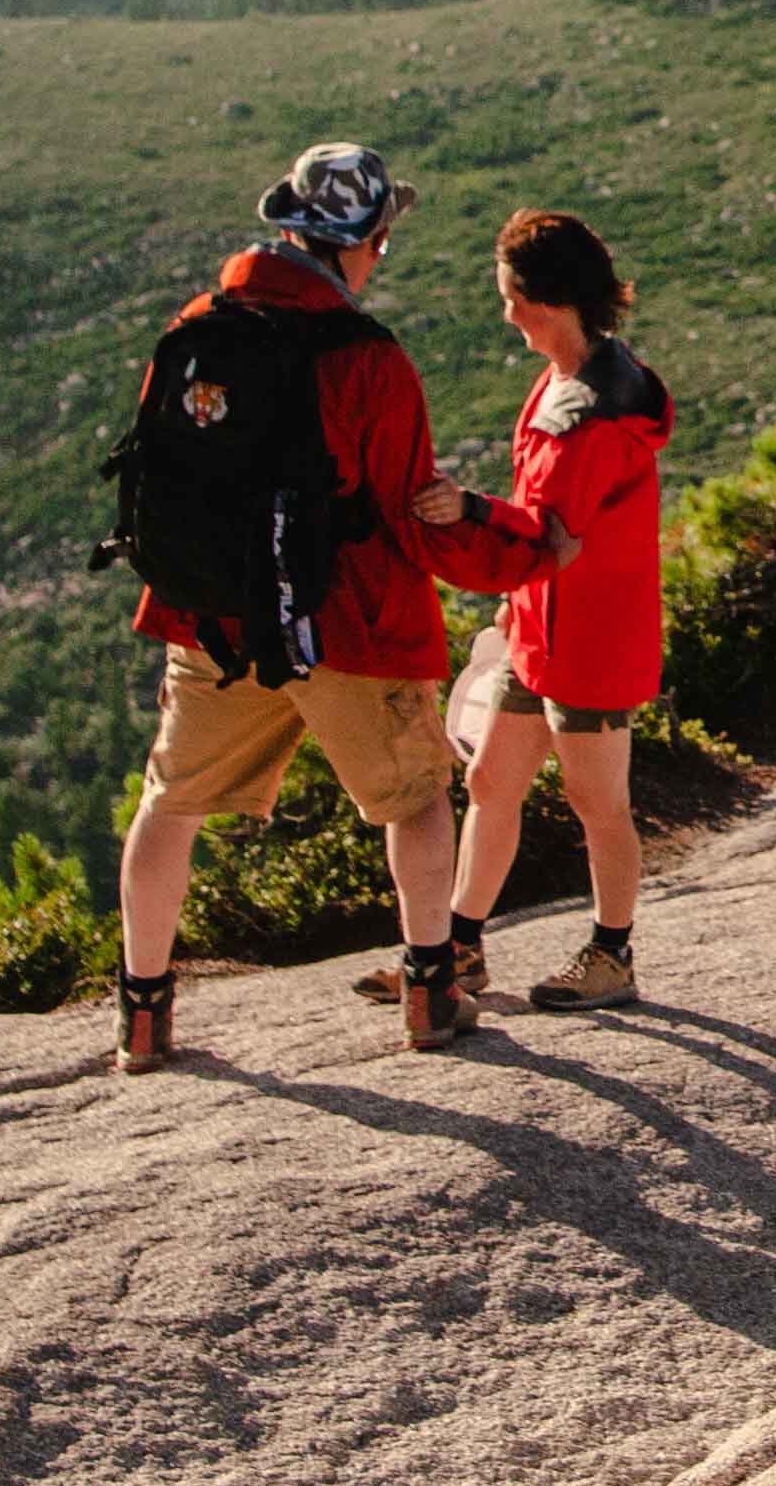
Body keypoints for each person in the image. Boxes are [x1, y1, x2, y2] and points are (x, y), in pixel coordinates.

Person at [103, 143, 480, 1073]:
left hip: (217, 621)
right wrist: (508, 544)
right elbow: (403, 508)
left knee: (170, 804)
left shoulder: (196, 326)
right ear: (364, 242)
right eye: (383, 241)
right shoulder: (369, 360)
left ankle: (143, 1015)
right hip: (346, 624)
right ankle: (431, 991)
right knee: (419, 798)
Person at [411, 208, 674, 1019]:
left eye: (510, 297)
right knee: (491, 780)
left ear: (547, 299)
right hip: (539, 633)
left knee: (600, 806)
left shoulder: (595, 417)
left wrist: (468, 512)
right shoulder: (575, 376)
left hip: (590, 642)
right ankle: (459, 950)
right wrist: (508, 612)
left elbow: (554, 541)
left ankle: (613, 956)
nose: (505, 313)